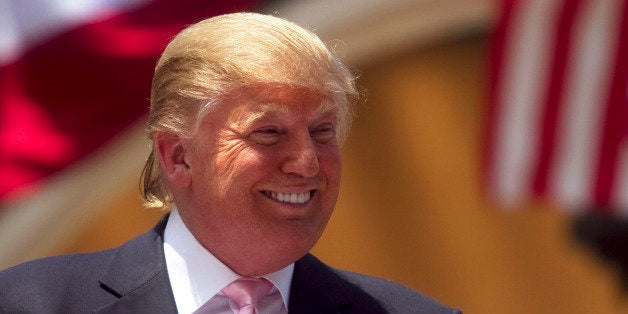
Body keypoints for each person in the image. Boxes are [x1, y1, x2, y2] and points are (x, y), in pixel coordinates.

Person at [0, 12, 461, 313]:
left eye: (322, 132)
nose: (306, 163)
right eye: (268, 133)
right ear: (178, 156)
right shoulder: (29, 303)